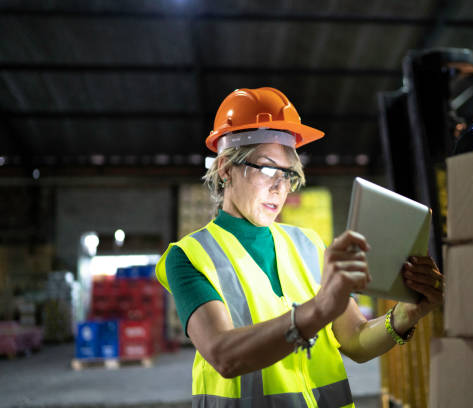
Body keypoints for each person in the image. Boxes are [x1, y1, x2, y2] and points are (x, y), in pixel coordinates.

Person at [155, 87, 444, 407]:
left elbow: (355, 341)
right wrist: (319, 309)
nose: (279, 188)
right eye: (266, 170)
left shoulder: (308, 245)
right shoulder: (190, 256)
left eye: (288, 175)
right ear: (225, 168)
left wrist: (405, 314)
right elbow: (224, 355)